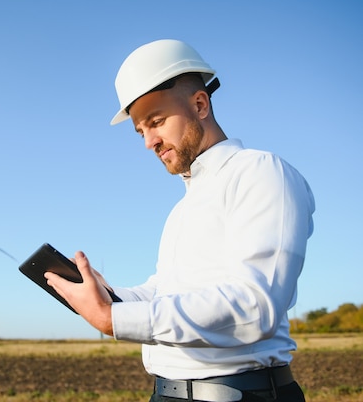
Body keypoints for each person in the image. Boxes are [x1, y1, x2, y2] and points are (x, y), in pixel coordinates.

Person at [45, 39, 315, 401]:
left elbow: (256, 306)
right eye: (141, 131)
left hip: (238, 394)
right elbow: (166, 291)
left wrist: (114, 320)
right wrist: (110, 296)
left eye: (156, 122)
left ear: (200, 104)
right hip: (168, 393)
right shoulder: (183, 208)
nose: (148, 143)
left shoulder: (260, 173)